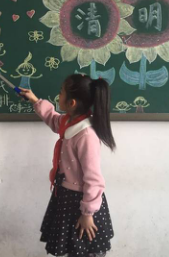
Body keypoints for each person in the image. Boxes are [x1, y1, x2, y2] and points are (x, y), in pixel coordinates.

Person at [20, 74, 115, 257]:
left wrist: (87, 214)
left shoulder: (86, 135)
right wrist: (34, 100)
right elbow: (53, 119)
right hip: (66, 197)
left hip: (83, 203)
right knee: (73, 249)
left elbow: (94, 179)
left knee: (86, 249)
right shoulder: (69, 121)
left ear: (71, 103)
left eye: (61, 92)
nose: (58, 95)